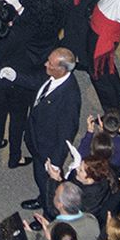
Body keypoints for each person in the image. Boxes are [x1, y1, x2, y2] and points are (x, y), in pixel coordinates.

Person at [23, 48, 82, 211]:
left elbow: (67, 132)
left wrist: (56, 162)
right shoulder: (52, 77)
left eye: (50, 63)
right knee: (40, 178)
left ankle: (49, 212)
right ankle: (42, 199)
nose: (45, 64)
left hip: (48, 150)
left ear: (62, 69)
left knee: (47, 184)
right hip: (38, 140)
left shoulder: (70, 97)